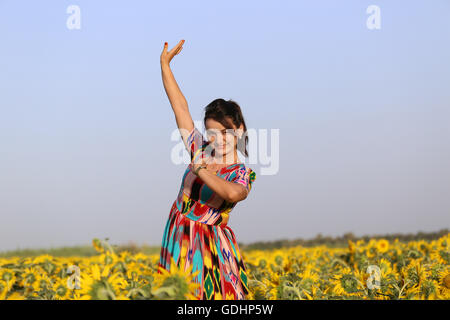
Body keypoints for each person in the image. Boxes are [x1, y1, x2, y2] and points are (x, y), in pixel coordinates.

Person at [157, 39, 256, 300]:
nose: (218, 139)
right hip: (178, 237)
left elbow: (233, 194)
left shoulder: (240, 172)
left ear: (240, 130)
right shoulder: (200, 149)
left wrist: (201, 171)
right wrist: (165, 65)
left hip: (208, 248)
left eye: (225, 132)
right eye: (212, 133)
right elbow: (180, 107)